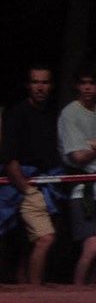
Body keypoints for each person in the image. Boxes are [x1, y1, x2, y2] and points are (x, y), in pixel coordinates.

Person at [0, 66, 61, 284]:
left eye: (44, 82)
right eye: (35, 82)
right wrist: (28, 191)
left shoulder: (52, 114)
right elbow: (10, 159)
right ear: (28, 85)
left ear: (50, 86)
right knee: (45, 238)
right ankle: (35, 294)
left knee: (27, 243)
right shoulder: (17, 114)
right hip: (22, 188)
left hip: (46, 186)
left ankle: (28, 290)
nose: (40, 87)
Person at [57, 62, 96, 284]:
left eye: (92, 83)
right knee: (91, 245)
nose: (88, 88)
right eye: (84, 83)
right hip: (83, 190)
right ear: (77, 86)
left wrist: (91, 146)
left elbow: (86, 151)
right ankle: (76, 292)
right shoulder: (70, 113)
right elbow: (77, 157)